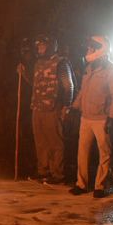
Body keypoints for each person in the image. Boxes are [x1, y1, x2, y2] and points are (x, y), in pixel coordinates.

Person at [70, 35, 113, 197]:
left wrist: (112, 118)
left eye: (91, 48)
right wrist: (74, 107)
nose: (88, 50)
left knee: (104, 154)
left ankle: (100, 186)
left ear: (100, 49)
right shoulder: (89, 68)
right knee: (82, 152)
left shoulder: (112, 70)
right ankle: (81, 184)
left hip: (102, 119)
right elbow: (83, 91)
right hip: (86, 118)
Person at [20, 35, 75, 184]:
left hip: (53, 107)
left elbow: (68, 86)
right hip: (37, 107)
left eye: (43, 46)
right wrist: (24, 74)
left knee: (55, 142)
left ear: (50, 46)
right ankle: (43, 170)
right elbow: (36, 84)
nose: (40, 49)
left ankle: (58, 174)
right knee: (41, 142)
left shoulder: (61, 63)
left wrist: (66, 106)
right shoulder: (38, 63)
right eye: (38, 47)